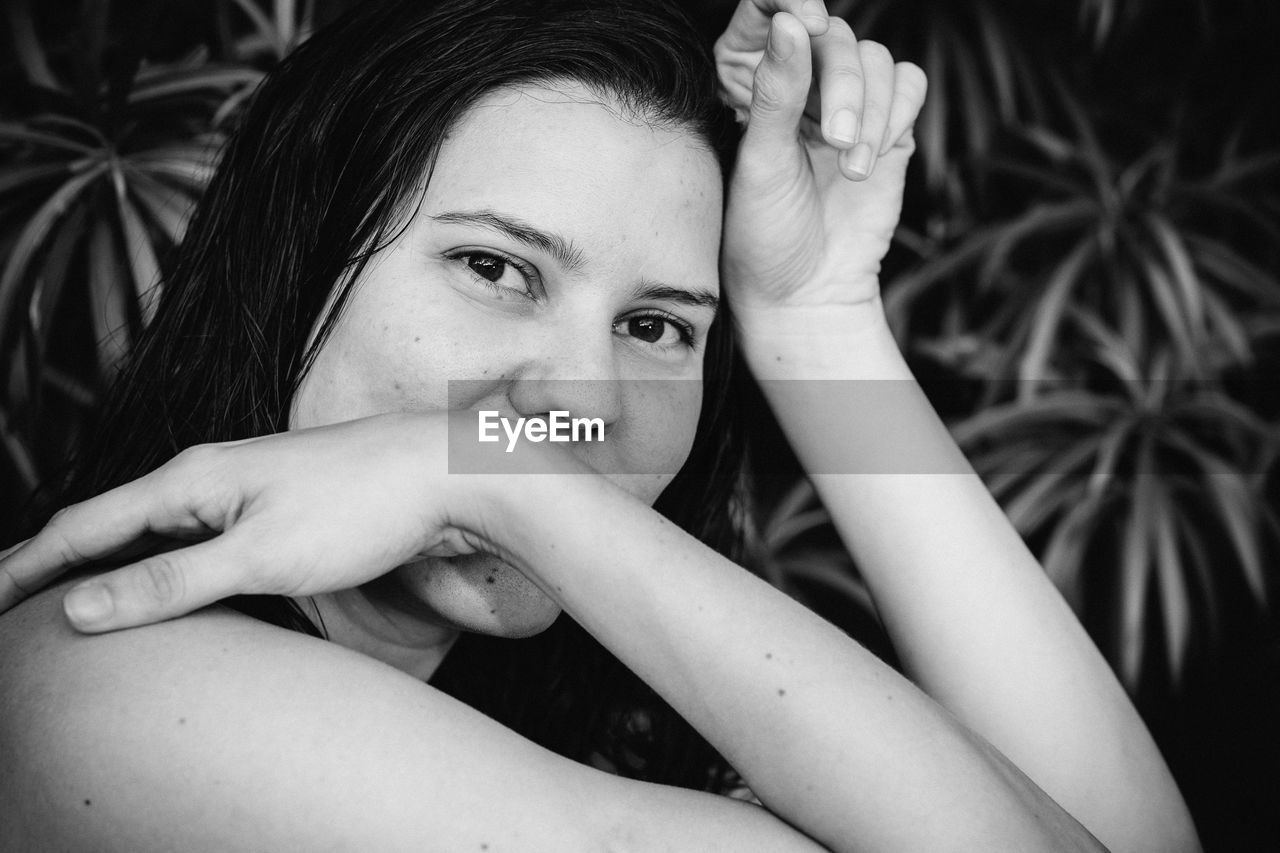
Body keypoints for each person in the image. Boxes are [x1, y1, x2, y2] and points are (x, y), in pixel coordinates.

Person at [0, 0, 1200, 850]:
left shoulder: (565, 728)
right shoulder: (120, 687)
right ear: (292, 267)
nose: (583, 401)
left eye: (659, 328)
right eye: (494, 266)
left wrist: (816, 324)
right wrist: (503, 479)